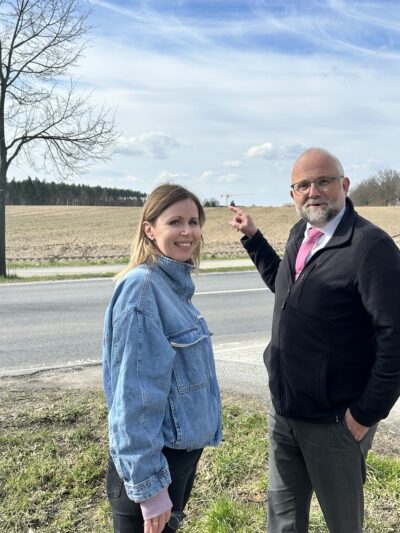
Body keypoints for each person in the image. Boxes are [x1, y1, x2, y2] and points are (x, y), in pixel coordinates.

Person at [230, 148, 400, 533]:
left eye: (323, 181)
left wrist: (365, 414)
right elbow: (286, 289)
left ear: (344, 185)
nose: (313, 192)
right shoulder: (301, 232)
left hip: (334, 421)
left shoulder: (369, 247)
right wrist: (254, 239)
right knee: (283, 523)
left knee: (343, 524)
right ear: (293, 194)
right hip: (285, 411)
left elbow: (395, 339)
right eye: (302, 185)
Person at [103, 184, 222, 533]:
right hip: (155, 469)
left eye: (193, 222)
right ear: (150, 230)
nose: (188, 232)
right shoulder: (142, 289)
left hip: (175, 463)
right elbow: (134, 397)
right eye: (175, 222)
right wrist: (150, 488)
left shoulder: (171, 285)